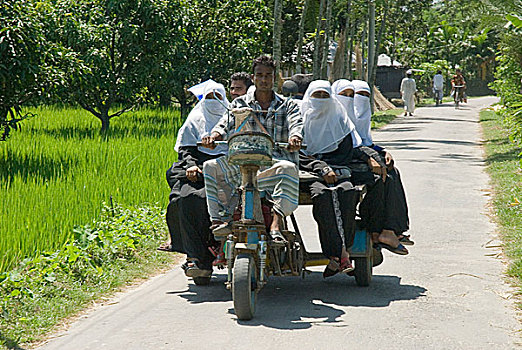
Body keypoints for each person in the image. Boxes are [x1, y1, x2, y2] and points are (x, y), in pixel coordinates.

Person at [201, 55, 303, 265]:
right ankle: (220, 220)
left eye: (268, 76)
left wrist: (295, 138)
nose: (263, 80)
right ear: (253, 78)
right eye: (259, 75)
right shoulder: (239, 104)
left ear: (275, 78)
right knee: (210, 166)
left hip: (272, 167)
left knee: (289, 168)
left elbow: (296, 126)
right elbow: (224, 125)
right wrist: (214, 137)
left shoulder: (288, 106)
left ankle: (275, 223)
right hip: (243, 166)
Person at [334, 79, 411, 252]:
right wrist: (371, 157)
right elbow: (349, 146)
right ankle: (382, 230)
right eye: (345, 95)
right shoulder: (334, 115)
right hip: (341, 163)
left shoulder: (356, 115)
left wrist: (382, 152)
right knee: (379, 178)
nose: (354, 99)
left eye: (361, 95)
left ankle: (392, 229)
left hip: (358, 157)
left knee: (392, 172)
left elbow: (363, 141)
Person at [163, 81, 230, 278]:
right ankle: (196, 257)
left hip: (227, 167)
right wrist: (192, 165)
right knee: (186, 198)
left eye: (217, 97)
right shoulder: (195, 119)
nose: (213, 102)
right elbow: (186, 148)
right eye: (208, 97)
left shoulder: (231, 117)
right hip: (197, 168)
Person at [298, 80, 364, 277]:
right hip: (308, 174)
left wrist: (330, 168)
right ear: (309, 98)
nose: (320, 100)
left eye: (324, 96)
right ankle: (336, 253)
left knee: (348, 192)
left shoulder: (340, 120)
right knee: (322, 196)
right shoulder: (299, 120)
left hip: (338, 170)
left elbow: (345, 152)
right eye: (316, 96)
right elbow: (296, 154)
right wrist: (321, 167)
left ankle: (344, 250)